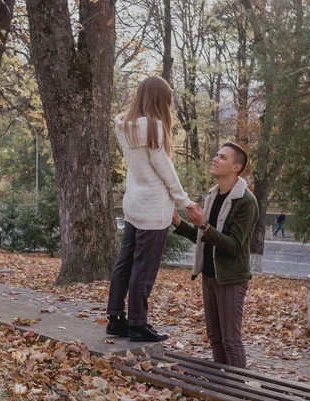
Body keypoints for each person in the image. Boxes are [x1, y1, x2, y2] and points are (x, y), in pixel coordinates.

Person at [106, 76, 196, 343]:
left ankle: (115, 319)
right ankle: (138, 324)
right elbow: (165, 170)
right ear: (160, 100)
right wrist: (185, 201)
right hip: (154, 206)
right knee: (144, 268)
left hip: (134, 202)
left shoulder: (125, 126)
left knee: (124, 262)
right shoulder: (154, 127)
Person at [171, 142, 258, 368]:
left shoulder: (245, 201)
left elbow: (233, 246)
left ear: (236, 167)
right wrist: (178, 222)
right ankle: (221, 387)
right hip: (209, 275)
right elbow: (204, 236)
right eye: (216, 155)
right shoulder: (213, 195)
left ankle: (237, 390)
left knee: (231, 340)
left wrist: (204, 225)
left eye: (222, 157)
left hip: (230, 279)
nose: (215, 159)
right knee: (215, 338)